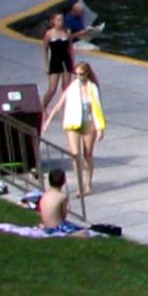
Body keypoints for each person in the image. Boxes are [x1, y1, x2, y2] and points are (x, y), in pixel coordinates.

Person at [43, 62, 106, 197]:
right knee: (76, 155)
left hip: (88, 123)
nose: (79, 77)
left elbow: (97, 109)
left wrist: (100, 127)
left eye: (81, 74)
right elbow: (60, 103)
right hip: (73, 123)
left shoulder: (92, 88)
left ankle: (88, 184)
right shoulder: (73, 87)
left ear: (87, 74)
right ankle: (80, 186)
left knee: (87, 155)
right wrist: (48, 120)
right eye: (77, 74)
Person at [41, 12, 74, 108]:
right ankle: (43, 107)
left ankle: (66, 108)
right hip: (55, 61)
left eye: (62, 20)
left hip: (66, 61)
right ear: (53, 21)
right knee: (52, 89)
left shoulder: (67, 32)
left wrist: (72, 63)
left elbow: (70, 48)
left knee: (66, 88)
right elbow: (45, 49)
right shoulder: (49, 34)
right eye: (58, 20)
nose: (61, 22)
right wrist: (46, 65)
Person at [38, 168, 86, 235]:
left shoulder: (44, 195)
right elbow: (63, 216)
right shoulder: (62, 197)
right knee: (83, 232)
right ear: (64, 181)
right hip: (57, 228)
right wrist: (67, 209)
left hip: (46, 226)